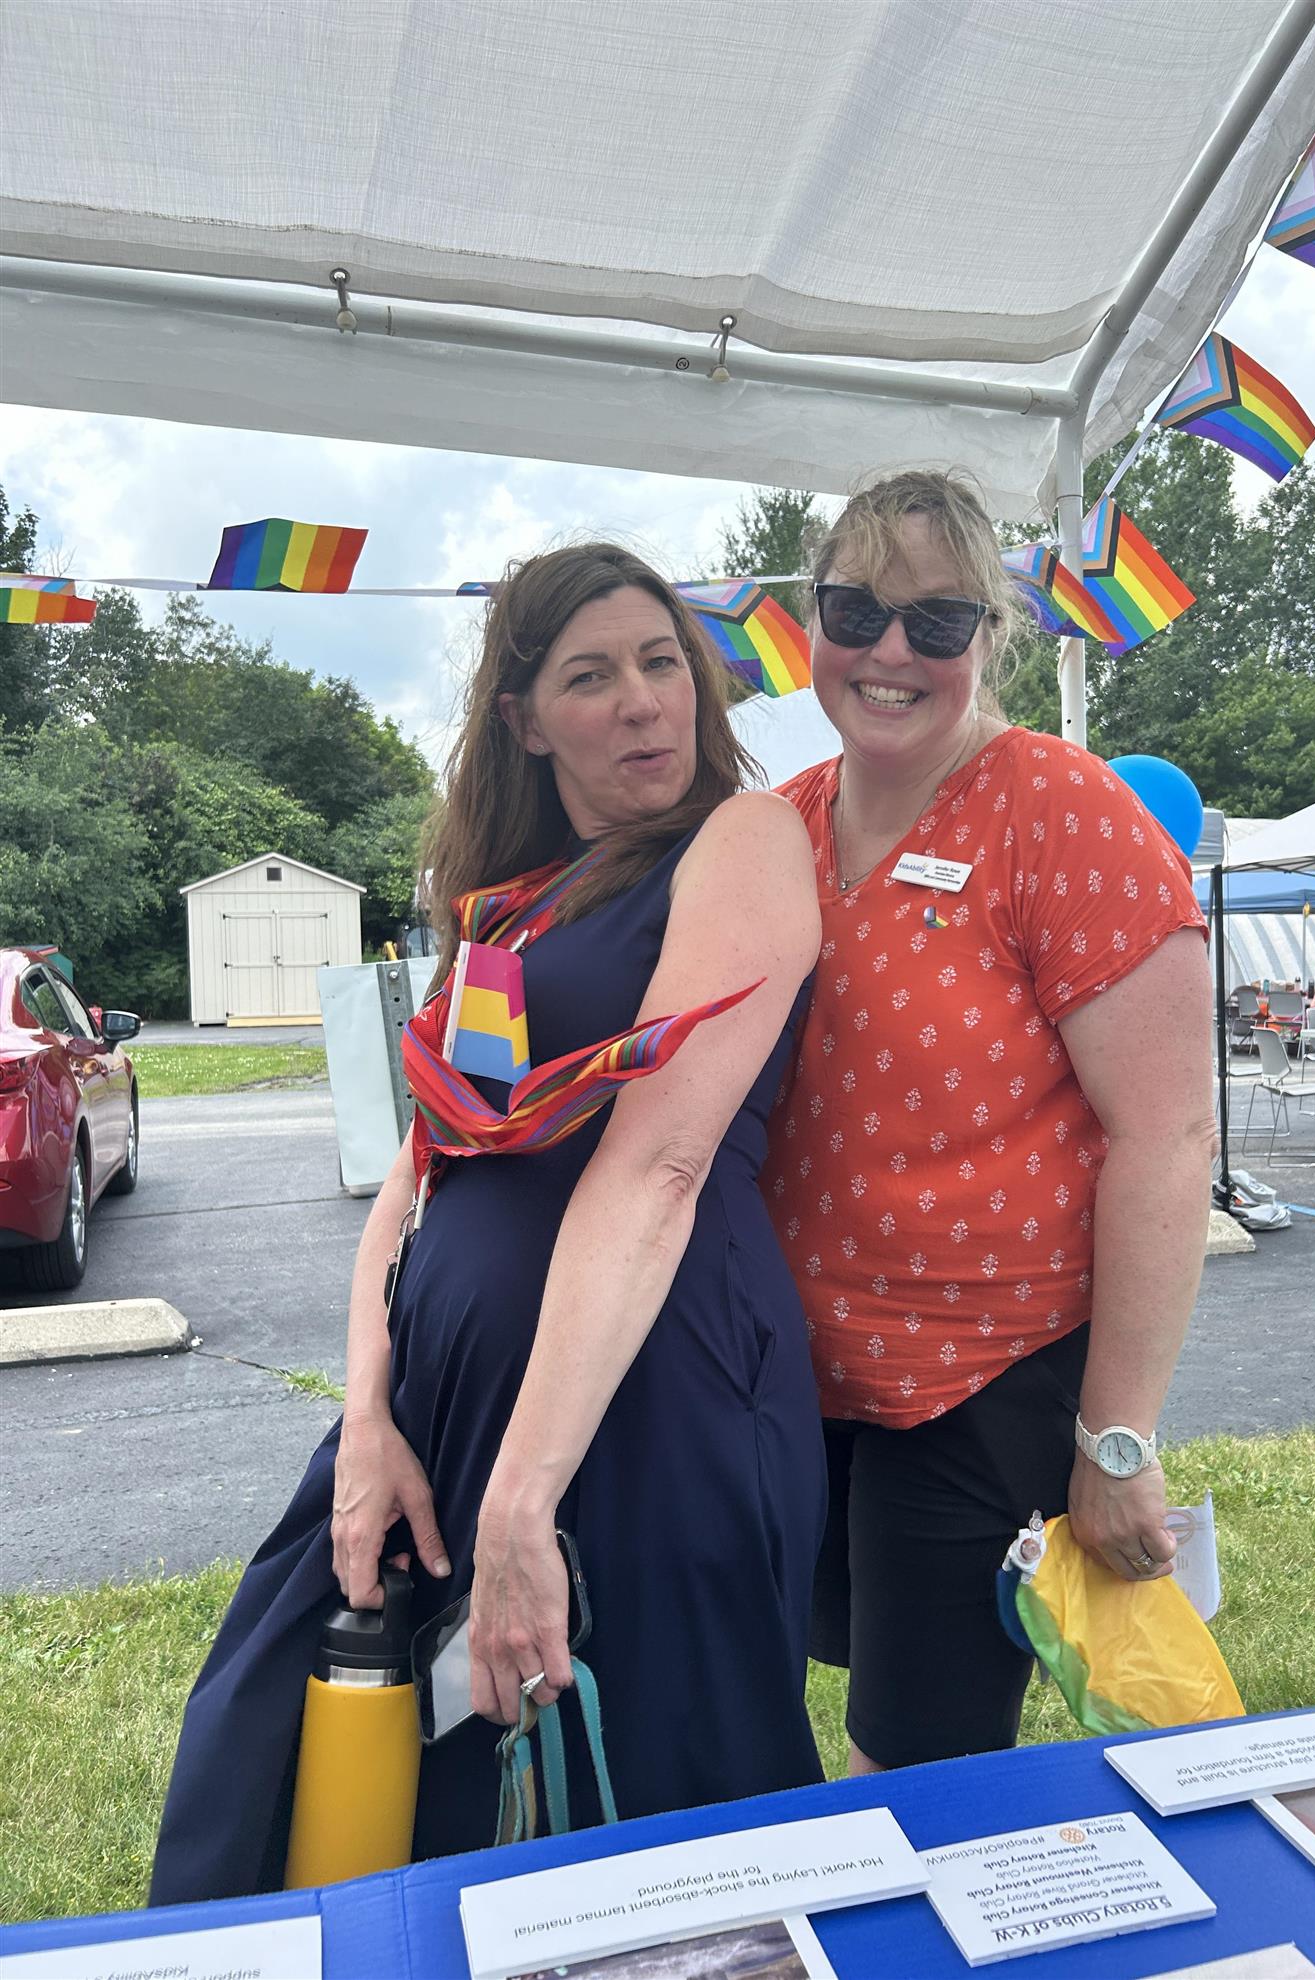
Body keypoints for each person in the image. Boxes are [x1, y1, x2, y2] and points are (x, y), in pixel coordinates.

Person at [151, 545, 825, 1901]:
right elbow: (420, 1181)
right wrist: (367, 1418)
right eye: (590, 676)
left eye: (661, 663)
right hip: (445, 1419)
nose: (641, 701)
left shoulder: (741, 842)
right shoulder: (509, 911)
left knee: (654, 1818)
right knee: (325, 1771)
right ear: (523, 721)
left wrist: (524, 1501)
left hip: (651, 1405)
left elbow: (659, 1168)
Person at [762, 469, 1214, 1777]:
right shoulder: (779, 827)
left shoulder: (1063, 811)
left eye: (938, 621)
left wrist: (1116, 1441)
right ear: (811, 621)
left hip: (982, 1378)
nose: (890, 651)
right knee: (762, 1717)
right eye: (857, 611)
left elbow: (1168, 1139)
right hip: (790, 1377)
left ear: (990, 636)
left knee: (919, 1759)